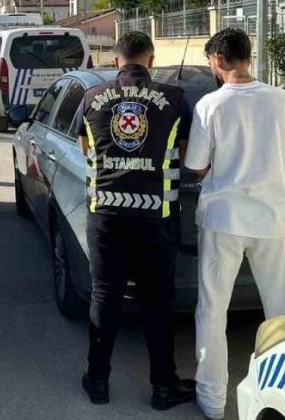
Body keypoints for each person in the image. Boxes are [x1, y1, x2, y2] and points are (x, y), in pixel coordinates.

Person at [183, 28, 285, 420]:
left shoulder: (210, 105)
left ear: (218, 60)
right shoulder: (280, 100)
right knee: (281, 309)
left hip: (224, 220)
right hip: (272, 218)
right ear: (247, 57)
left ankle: (213, 398)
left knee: (212, 309)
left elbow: (197, 166)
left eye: (211, 62)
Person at [79, 30, 195, 410]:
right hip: (156, 217)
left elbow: (85, 149)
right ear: (151, 60)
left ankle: (98, 381)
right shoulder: (175, 98)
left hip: (106, 214)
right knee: (157, 301)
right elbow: (183, 153)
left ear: (116, 61)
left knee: (104, 295)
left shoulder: (91, 98)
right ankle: (163, 386)